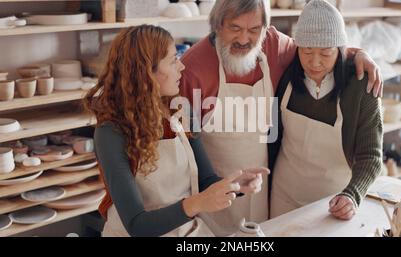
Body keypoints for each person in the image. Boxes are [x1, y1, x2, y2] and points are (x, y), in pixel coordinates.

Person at [179, 0, 383, 236]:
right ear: (217, 25)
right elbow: (183, 147)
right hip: (215, 190)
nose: (245, 39)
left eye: (254, 30)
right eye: (235, 28)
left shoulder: (274, 46)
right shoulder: (193, 68)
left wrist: (360, 54)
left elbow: (319, 46)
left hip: (265, 190)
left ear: (266, 29)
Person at [84, 25, 269, 237]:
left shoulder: (181, 109)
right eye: (173, 60)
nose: (181, 67)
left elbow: (206, 179)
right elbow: (137, 225)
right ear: (146, 71)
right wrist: (198, 203)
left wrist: (235, 185)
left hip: (186, 232)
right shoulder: (111, 132)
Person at [269, 0, 383, 220]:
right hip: (283, 195)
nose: (315, 62)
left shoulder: (362, 86)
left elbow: (371, 156)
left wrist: (352, 195)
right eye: (306, 51)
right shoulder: (286, 77)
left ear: (341, 50)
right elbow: (273, 139)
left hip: (333, 201)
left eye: (325, 53)